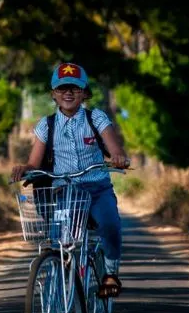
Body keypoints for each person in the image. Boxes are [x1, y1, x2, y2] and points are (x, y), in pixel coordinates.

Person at [11, 62, 131, 297]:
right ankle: (62, 292)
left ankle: (110, 273)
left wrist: (118, 157)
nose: (68, 93)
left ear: (85, 93)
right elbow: (34, 162)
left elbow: (114, 147)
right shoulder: (46, 125)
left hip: (97, 189)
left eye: (75, 89)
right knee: (59, 243)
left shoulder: (95, 117)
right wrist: (25, 168)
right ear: (53, 94)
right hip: (64, 192)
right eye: (62, 88)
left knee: (110, 225)